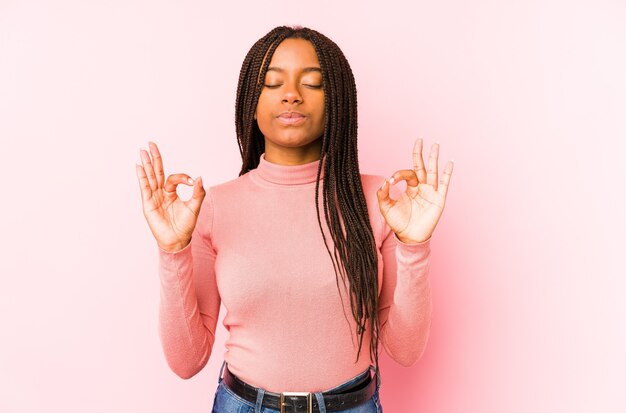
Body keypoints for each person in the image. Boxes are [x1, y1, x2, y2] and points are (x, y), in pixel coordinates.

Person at [135, 25, 453, 413]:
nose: (291, 94)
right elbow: (186, 361)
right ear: (250, 102)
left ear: (337, 100)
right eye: (272, 82)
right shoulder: (214, 207)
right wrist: (172, 250)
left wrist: (414, 247)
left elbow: (405, 351)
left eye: (313, 83)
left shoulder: (379, 201)